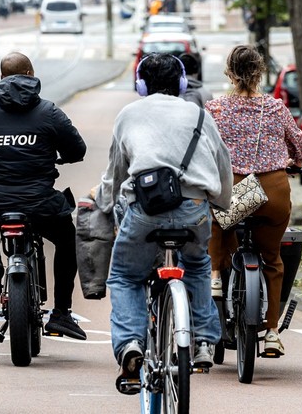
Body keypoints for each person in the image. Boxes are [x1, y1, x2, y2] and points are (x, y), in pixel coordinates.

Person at [99, 53, 233, 392]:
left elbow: (116, 171)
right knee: (198, 264)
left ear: (141, 84)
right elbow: (222, 164)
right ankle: (203, 341)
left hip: (146, 211)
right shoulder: (201, 115)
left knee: (125, 276)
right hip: (195, 208)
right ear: (183, 83)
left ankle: (130, 343)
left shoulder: (128, 114)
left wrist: (103, 202)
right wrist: (221, 203)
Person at [0, 52, 88, 340]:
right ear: (32, 74)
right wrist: (60, 157)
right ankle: (61, 312)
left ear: (1, 78)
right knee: (66, 239)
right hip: (39, 203)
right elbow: (78, 150)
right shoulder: (49, 112)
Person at [204, 45, 302, 356]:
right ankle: (273, 333)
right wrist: (292, 161)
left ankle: (214, 276)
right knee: (273, 259)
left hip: (235, 190)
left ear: (229, 72)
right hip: (273, 191)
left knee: (215, 219)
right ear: (260, 72)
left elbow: (204, 150)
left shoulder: (215, 109)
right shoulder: (276, 108)